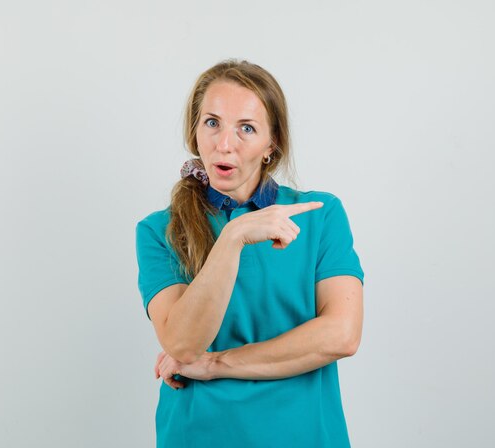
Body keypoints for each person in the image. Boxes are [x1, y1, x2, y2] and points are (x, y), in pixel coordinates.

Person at [135, 59, 364, 448]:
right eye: (212, 123)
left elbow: (341, 336)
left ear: (271, 144)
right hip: (200, 435)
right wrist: (233, 237)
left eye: (246, 128)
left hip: (305, 435)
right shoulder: (159, 230)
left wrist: (215, 364)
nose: (225, 143)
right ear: (195, 131)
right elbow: (183, 344)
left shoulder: (320, 215)